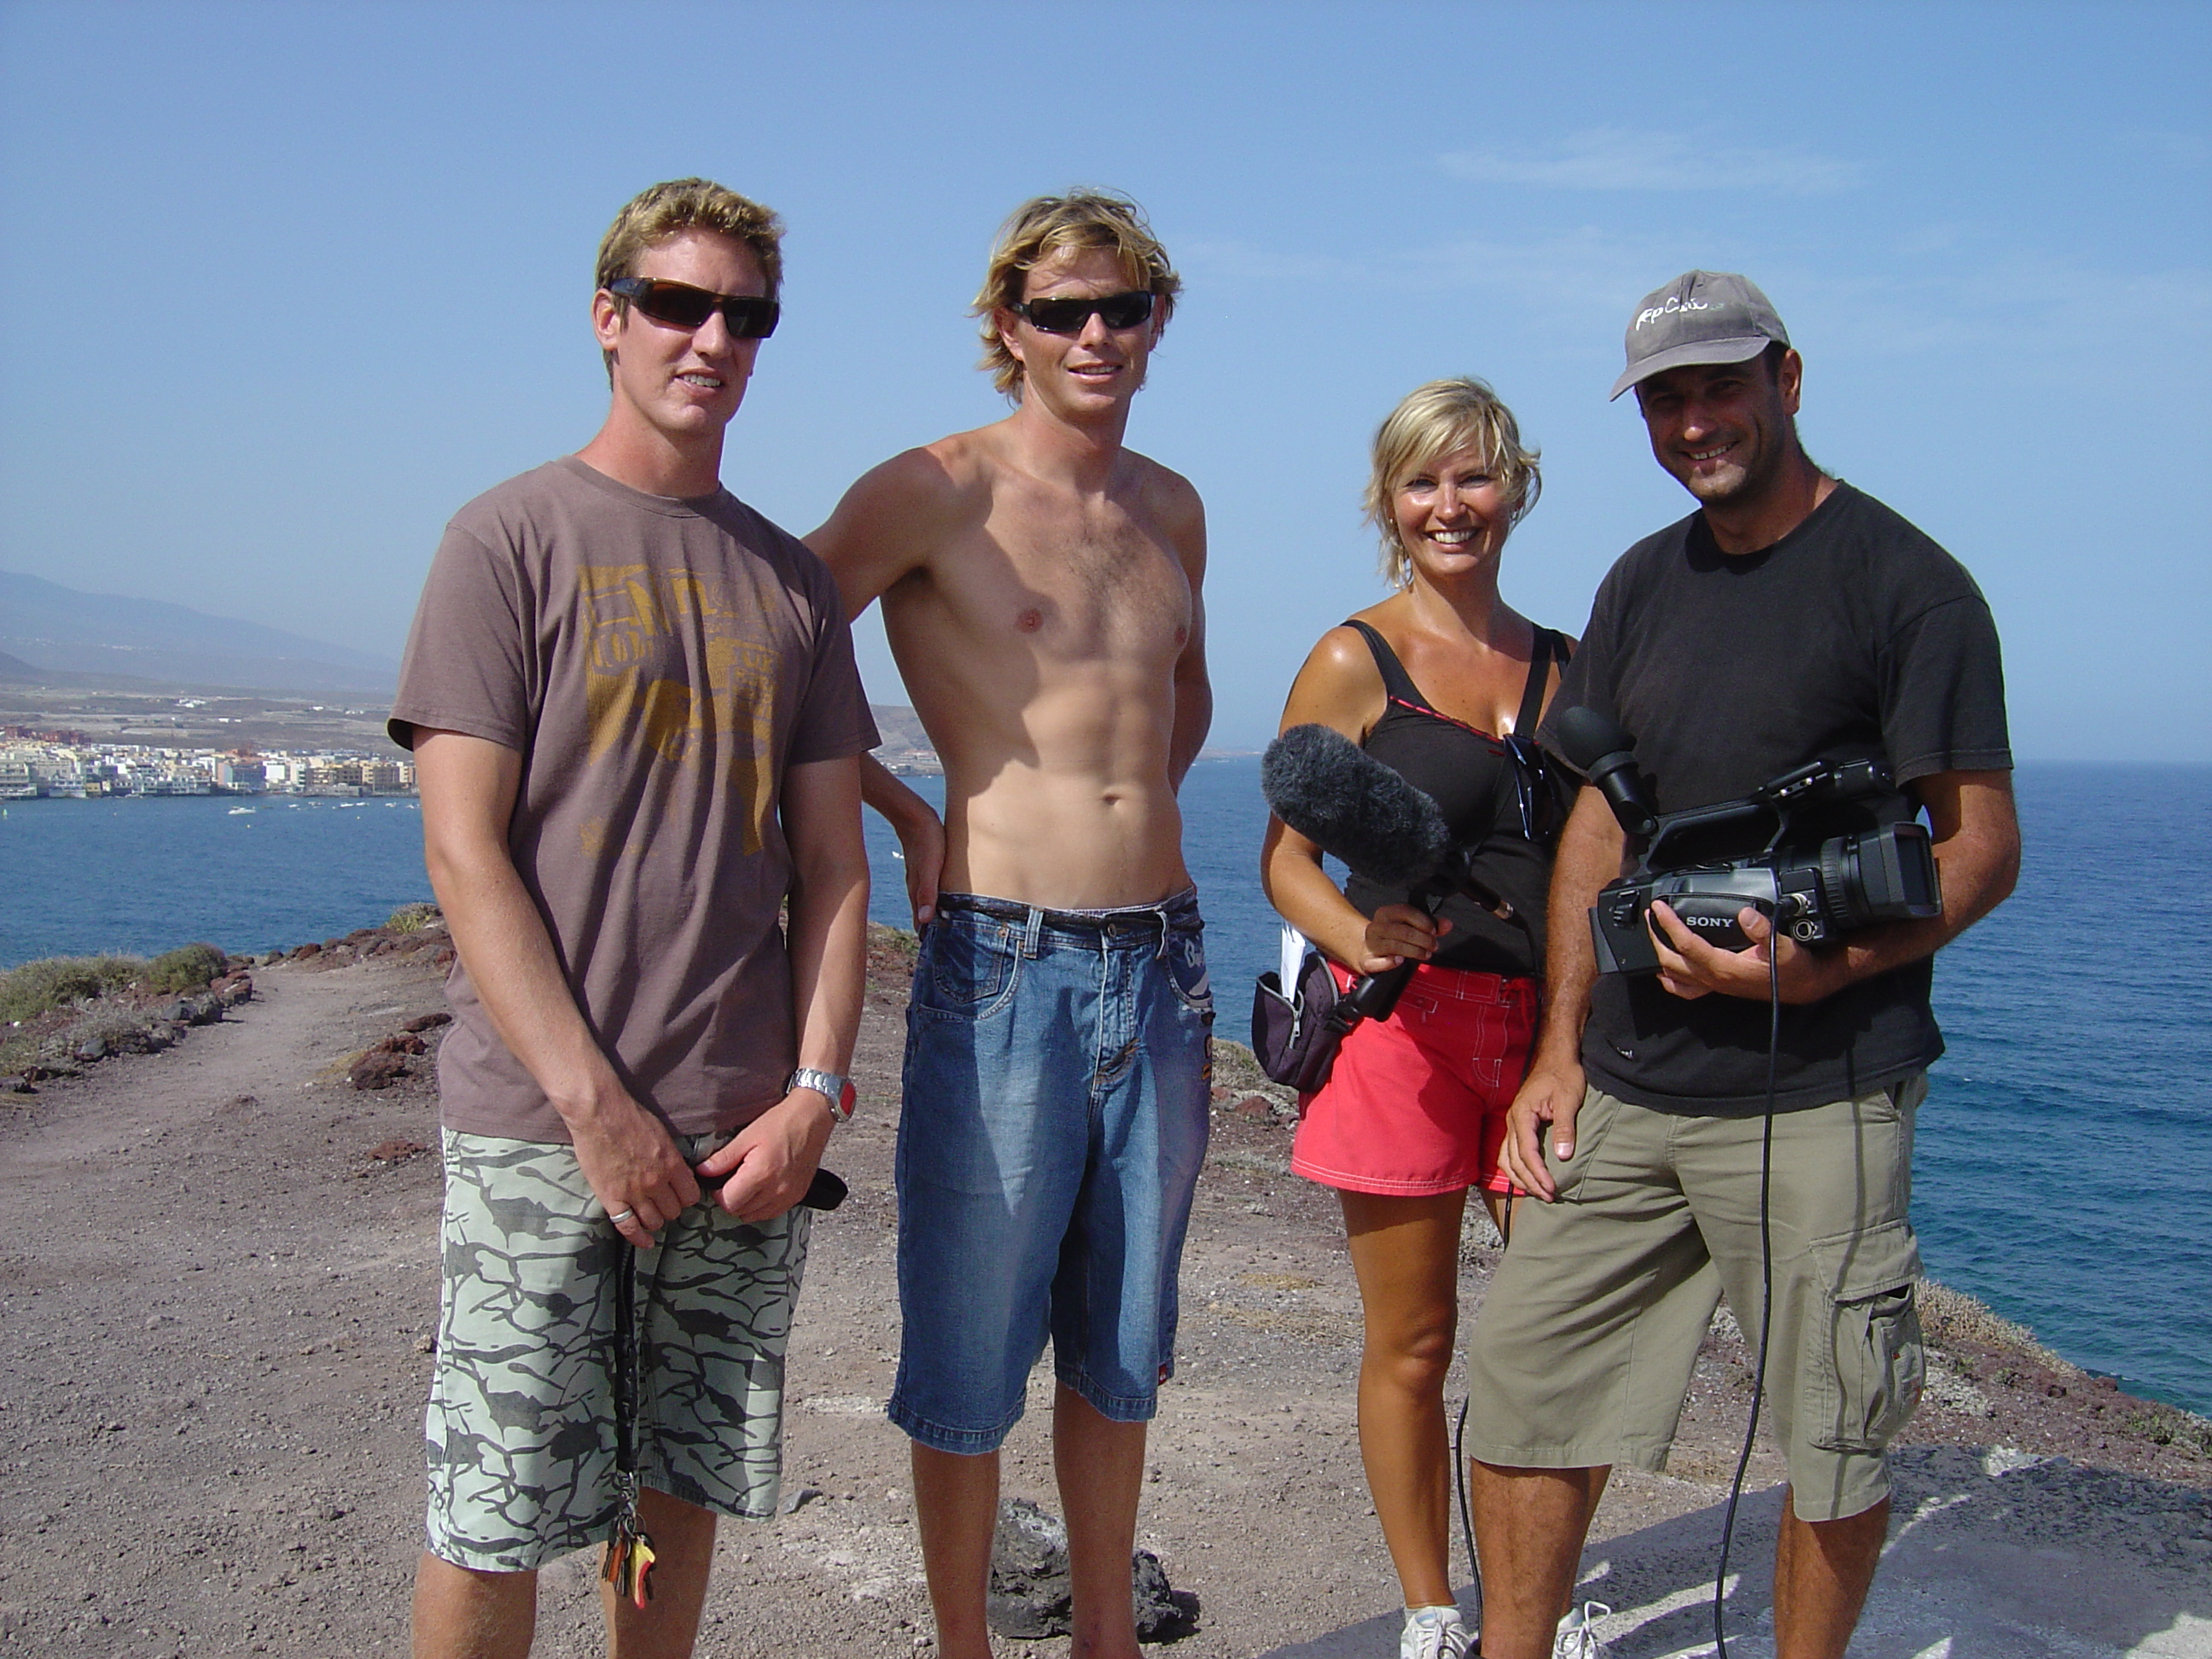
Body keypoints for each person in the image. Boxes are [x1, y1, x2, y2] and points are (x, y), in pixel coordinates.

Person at [1462, 272, 2021, 1659]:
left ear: (1789, 377)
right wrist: (1554, 1056)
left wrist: (1824, 974)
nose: (1696, 419)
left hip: (1825, 1083)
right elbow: (1600, 809)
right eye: (1667, 397)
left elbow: (1984, 847)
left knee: (1833, 1436)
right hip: (1635, 1081)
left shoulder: (1912, 588)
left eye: (1721, 385)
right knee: (1525, 1390)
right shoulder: (1642, 581)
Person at [390, 178, 877, 1659]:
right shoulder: (506, 542)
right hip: (545, 1128)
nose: (710, 336)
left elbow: (834, 865)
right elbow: (465, 854)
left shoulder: (791, 581)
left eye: (745, 313)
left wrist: (812, 1097)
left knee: (677, 1494)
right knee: (495, 1516)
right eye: (677, 302)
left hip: (739, 1135)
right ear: (610, 320)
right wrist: (592, 1103)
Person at [806, 190, 1210, 1659]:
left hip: (1161, 964)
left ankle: (1109, 1639)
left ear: (1157, 321)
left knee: (1122, 1353)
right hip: (1004, 963)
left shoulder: (1171, 506)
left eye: (1122, 308)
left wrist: (1139, 816)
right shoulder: (935, 487)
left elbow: (1190, 685)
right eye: (1061, 311)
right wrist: (908, 813)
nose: (1094, 334)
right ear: (1007, 328)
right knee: (971, 1357)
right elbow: (774, 639)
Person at [1260, 378, 1570, 1659]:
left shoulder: (1570, 662)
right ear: (1391, 503)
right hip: (1404, 1033)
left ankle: (1532, 1609)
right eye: (1424, 481)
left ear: (1517, 486)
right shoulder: (1354, 656)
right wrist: (1355, 934)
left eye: (1475, 475)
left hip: (1547, 1035)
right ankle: (1434, 1610)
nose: (1453, 505)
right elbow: (1285, 855)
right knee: (1418, 1341)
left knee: (1558, 1338)